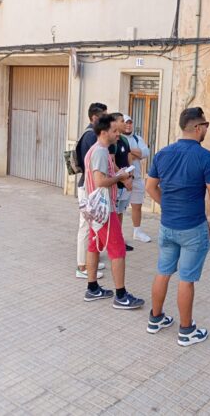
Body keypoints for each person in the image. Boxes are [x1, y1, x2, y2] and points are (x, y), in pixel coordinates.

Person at [146, 107, 210, 346]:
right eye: (205, 126)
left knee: (163, 271)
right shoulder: (206, 157)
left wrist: (167, 206)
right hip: (193, 228)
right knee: (186, 279)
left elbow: (150, 187)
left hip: (167, 226)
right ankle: (186, 331)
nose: (206, 129)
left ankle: (155, 319)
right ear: (197, 128)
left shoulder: (163, 154)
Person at [83, 114, 144, 309]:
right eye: (114, 130)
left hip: (95, 208)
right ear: (104, 132)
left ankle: (92, 288)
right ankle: (121, 295)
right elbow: (100, 181)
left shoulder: (95, 150)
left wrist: (118, 175)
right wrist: (120, 177)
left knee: (94, 245)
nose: (118, 134)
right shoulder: (101, 152)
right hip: (104, 210)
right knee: (117, 249)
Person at [75, 102, 107, 279]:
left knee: (92, 225)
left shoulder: (92, 135)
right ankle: (81, 266)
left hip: (90, 186)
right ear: (94, 118)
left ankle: (90, 261)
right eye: (104, 116)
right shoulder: (90, 137)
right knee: (85, 226)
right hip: (87, 186)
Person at [122, 115, 151, 243]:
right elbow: (124, 156)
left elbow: (145, 153)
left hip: (137, 178)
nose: (128, 125)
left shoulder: (137, 139)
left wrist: (129, 152)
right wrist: (135, 153)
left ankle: (137, 232)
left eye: (130, 123)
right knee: (119, 209)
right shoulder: (118, 139)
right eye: (126, 123)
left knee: (137, 206)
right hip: (122, 180)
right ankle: (118, 234)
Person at [109, 113, 134, 252]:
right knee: (113, 214)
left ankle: (118, 239)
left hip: (126, 183)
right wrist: (124, 179)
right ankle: (113, 242)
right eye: (122, 121)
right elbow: (112, 163)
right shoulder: (112, 142)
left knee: (120, 212)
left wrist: (130, 177)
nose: (125, 123)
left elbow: (129, 158)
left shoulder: (124, 139)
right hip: (117, 184)